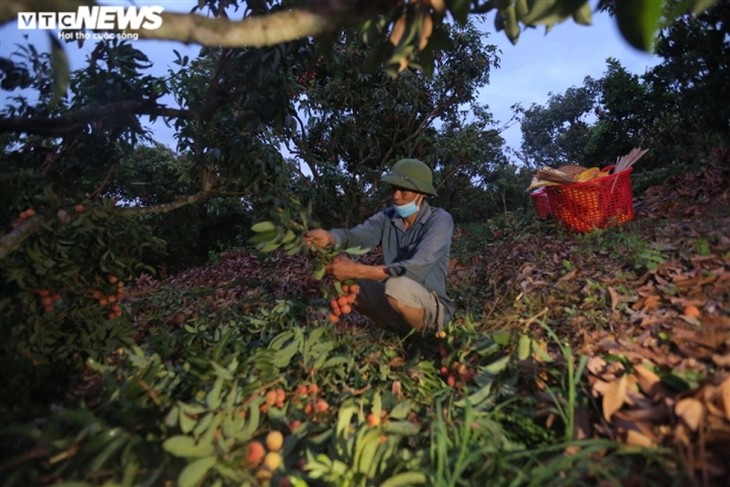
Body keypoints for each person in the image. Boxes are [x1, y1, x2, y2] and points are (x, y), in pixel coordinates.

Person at [305, 158, 455, 334]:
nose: (396, 196)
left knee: (396, 286)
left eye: (404, 191)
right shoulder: (387, 217)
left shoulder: (440, 220)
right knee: (351, 284)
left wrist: (358, 270)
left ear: (421, 194)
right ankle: (395, 332)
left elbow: (417, 267)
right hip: (396, 299)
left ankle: (427, 337)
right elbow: (357, 236)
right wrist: (330, 237)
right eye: (394, 189)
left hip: (431, 308)